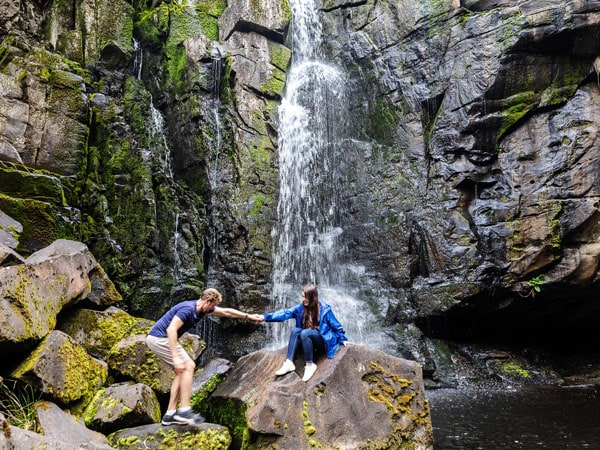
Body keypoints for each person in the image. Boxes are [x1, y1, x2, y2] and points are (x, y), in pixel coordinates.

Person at [146, 288, 262, 426]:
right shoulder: (187, 309)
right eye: (213, 305)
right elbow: (171, 329)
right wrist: (176, 358)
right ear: (208, 301)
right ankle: (184, 410)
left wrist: (248, 316)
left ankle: (170, 414)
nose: (214, 308)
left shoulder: (202, 308)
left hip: (163, 339)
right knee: (189, 365)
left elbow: (226, 312)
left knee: (181, 371)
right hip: (159, 338)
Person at [259, 283, 348, 382]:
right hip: (308, 339)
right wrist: (265, 317)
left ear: (313, 297)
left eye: (305, 297)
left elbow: (337, 325)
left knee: (305, 333)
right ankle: (289, 362)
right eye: (302, 296)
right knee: (296, 331)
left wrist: (343, 339)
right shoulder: (301, 308)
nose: (303, 299)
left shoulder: (324, 309)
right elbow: (285, 313)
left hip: (321, 340)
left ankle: (310, 365)